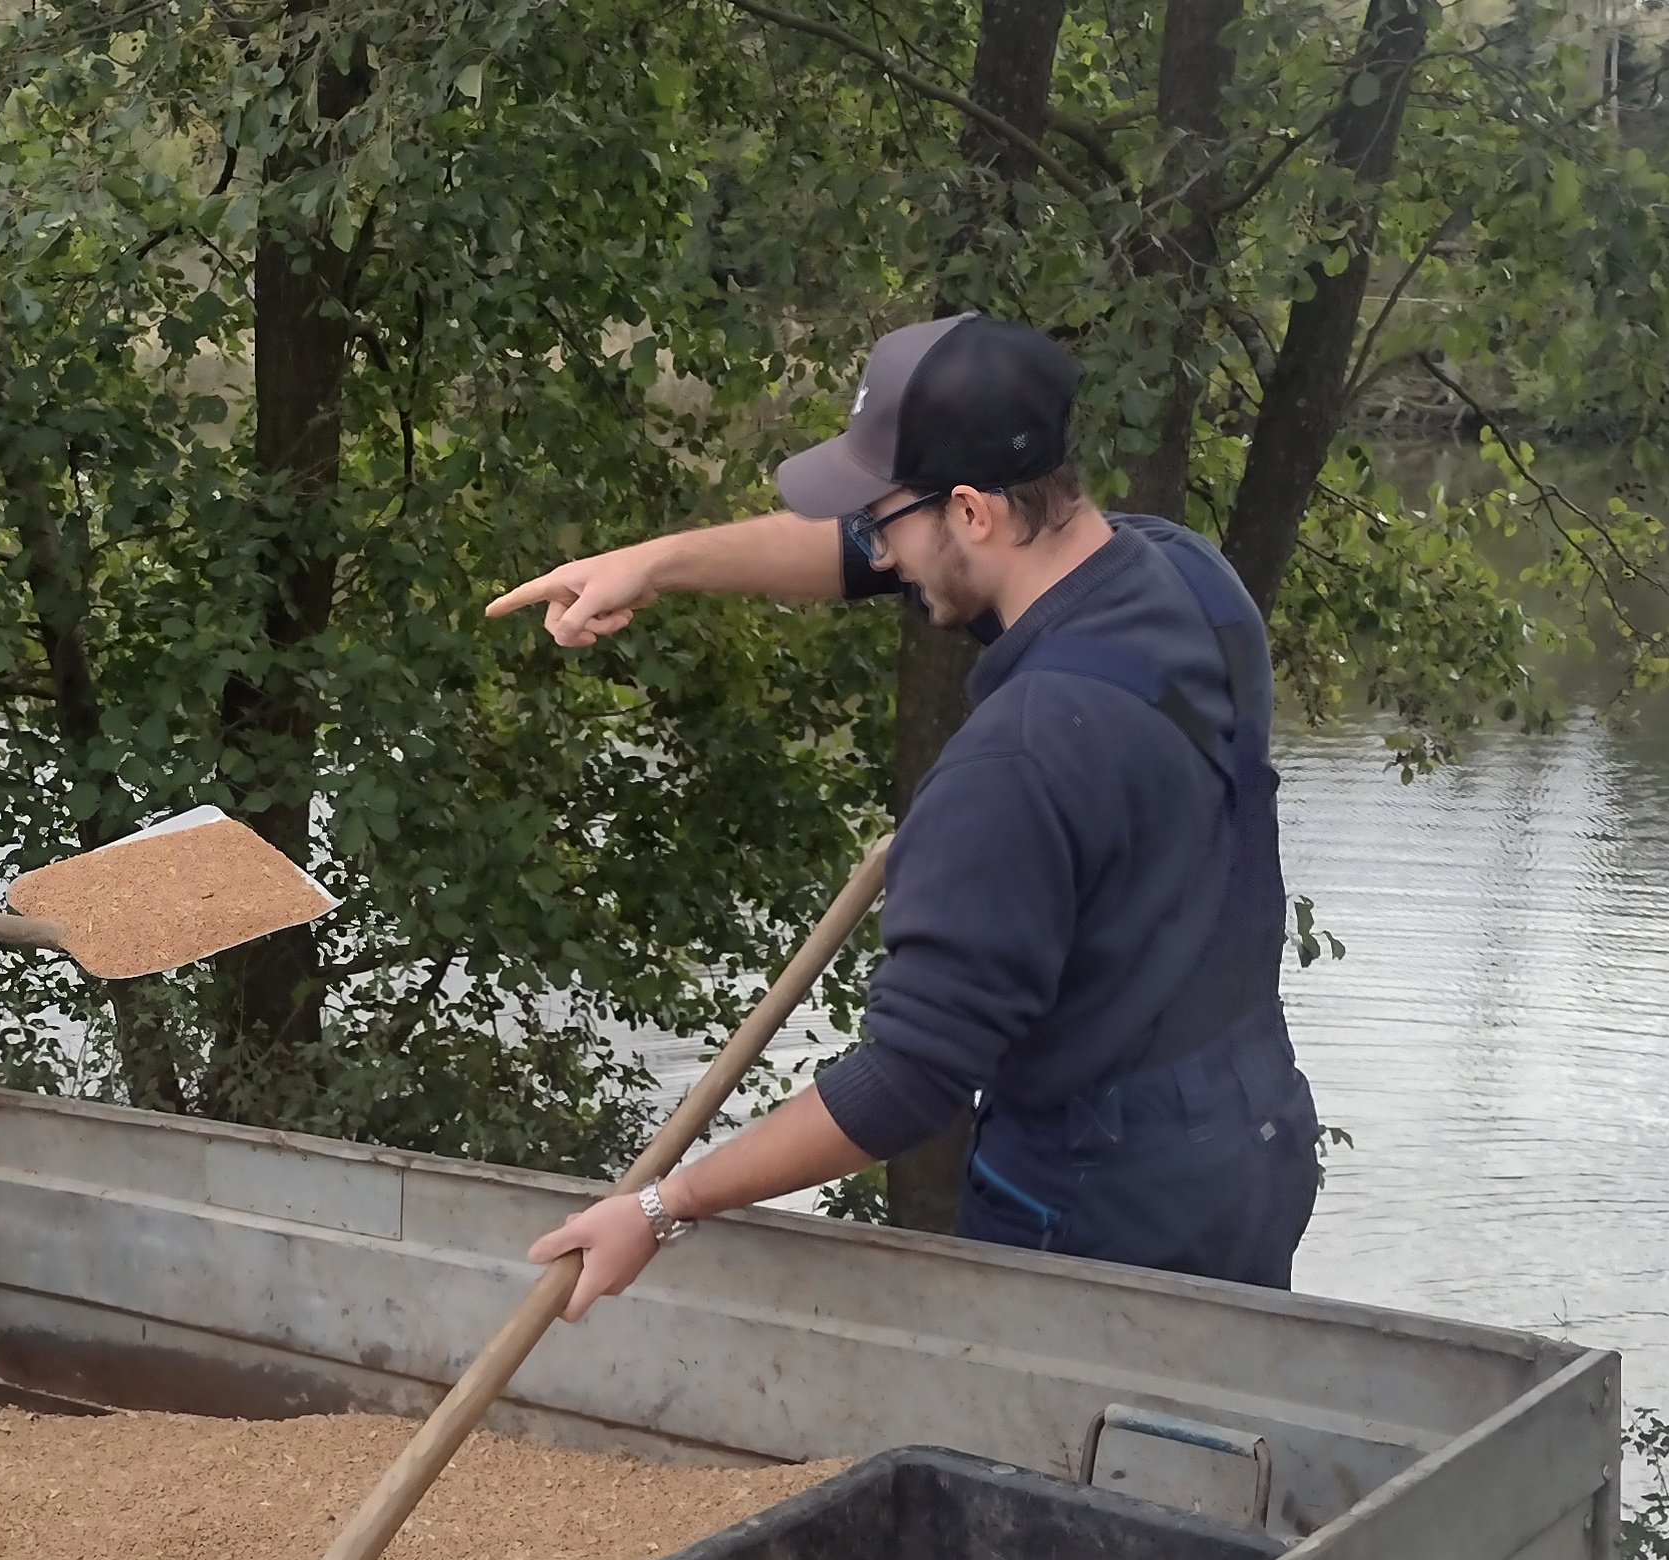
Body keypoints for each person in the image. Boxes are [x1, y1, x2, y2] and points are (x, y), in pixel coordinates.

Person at [487, 313, 1322, 1312]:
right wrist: (656, 562)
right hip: (1250, 1138)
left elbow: (909, 1081)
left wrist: (664, 1207)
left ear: (971, 511)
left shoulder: (1015, 762)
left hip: (1099, 1205)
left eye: (885, 520)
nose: (877, 556)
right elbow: (852, 556)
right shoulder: (1179, 573)